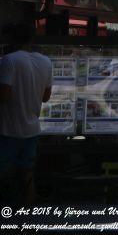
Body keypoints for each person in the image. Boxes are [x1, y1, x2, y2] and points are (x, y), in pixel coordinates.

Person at [0, 23, 52, 206]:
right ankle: (28, 212)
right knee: (27, 173)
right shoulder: (46, 62)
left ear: (11, 39)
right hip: (32, 130)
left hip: (8, 131)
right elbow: (46, 97)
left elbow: (3, 96)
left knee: (4, 174)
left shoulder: (9, 61)